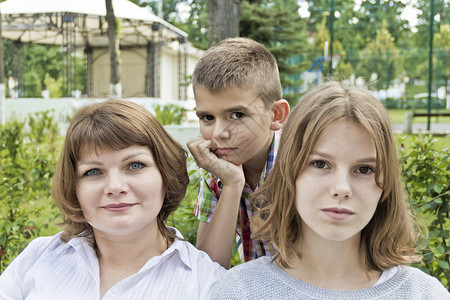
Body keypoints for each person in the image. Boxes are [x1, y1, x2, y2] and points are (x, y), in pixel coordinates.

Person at [211, 81, 450, 299]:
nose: (342, 189)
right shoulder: (238, 291)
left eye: (364, 169)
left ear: (386, 184)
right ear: (288, 173)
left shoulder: (425, 294)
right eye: (320, 164)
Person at [0, 100, 225, 299]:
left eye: (135, 166)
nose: (115, 187)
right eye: (93, 172)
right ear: (73, 187)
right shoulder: (38, 258)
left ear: (166, 174)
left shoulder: (206, 283)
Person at [187, 37, 290, 268]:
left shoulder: (301, 165)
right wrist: (232, 184)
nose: (218, 134)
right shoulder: (216, 171)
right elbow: (208, 268)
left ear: (276, 115)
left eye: (237, 115)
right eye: (207, 117)